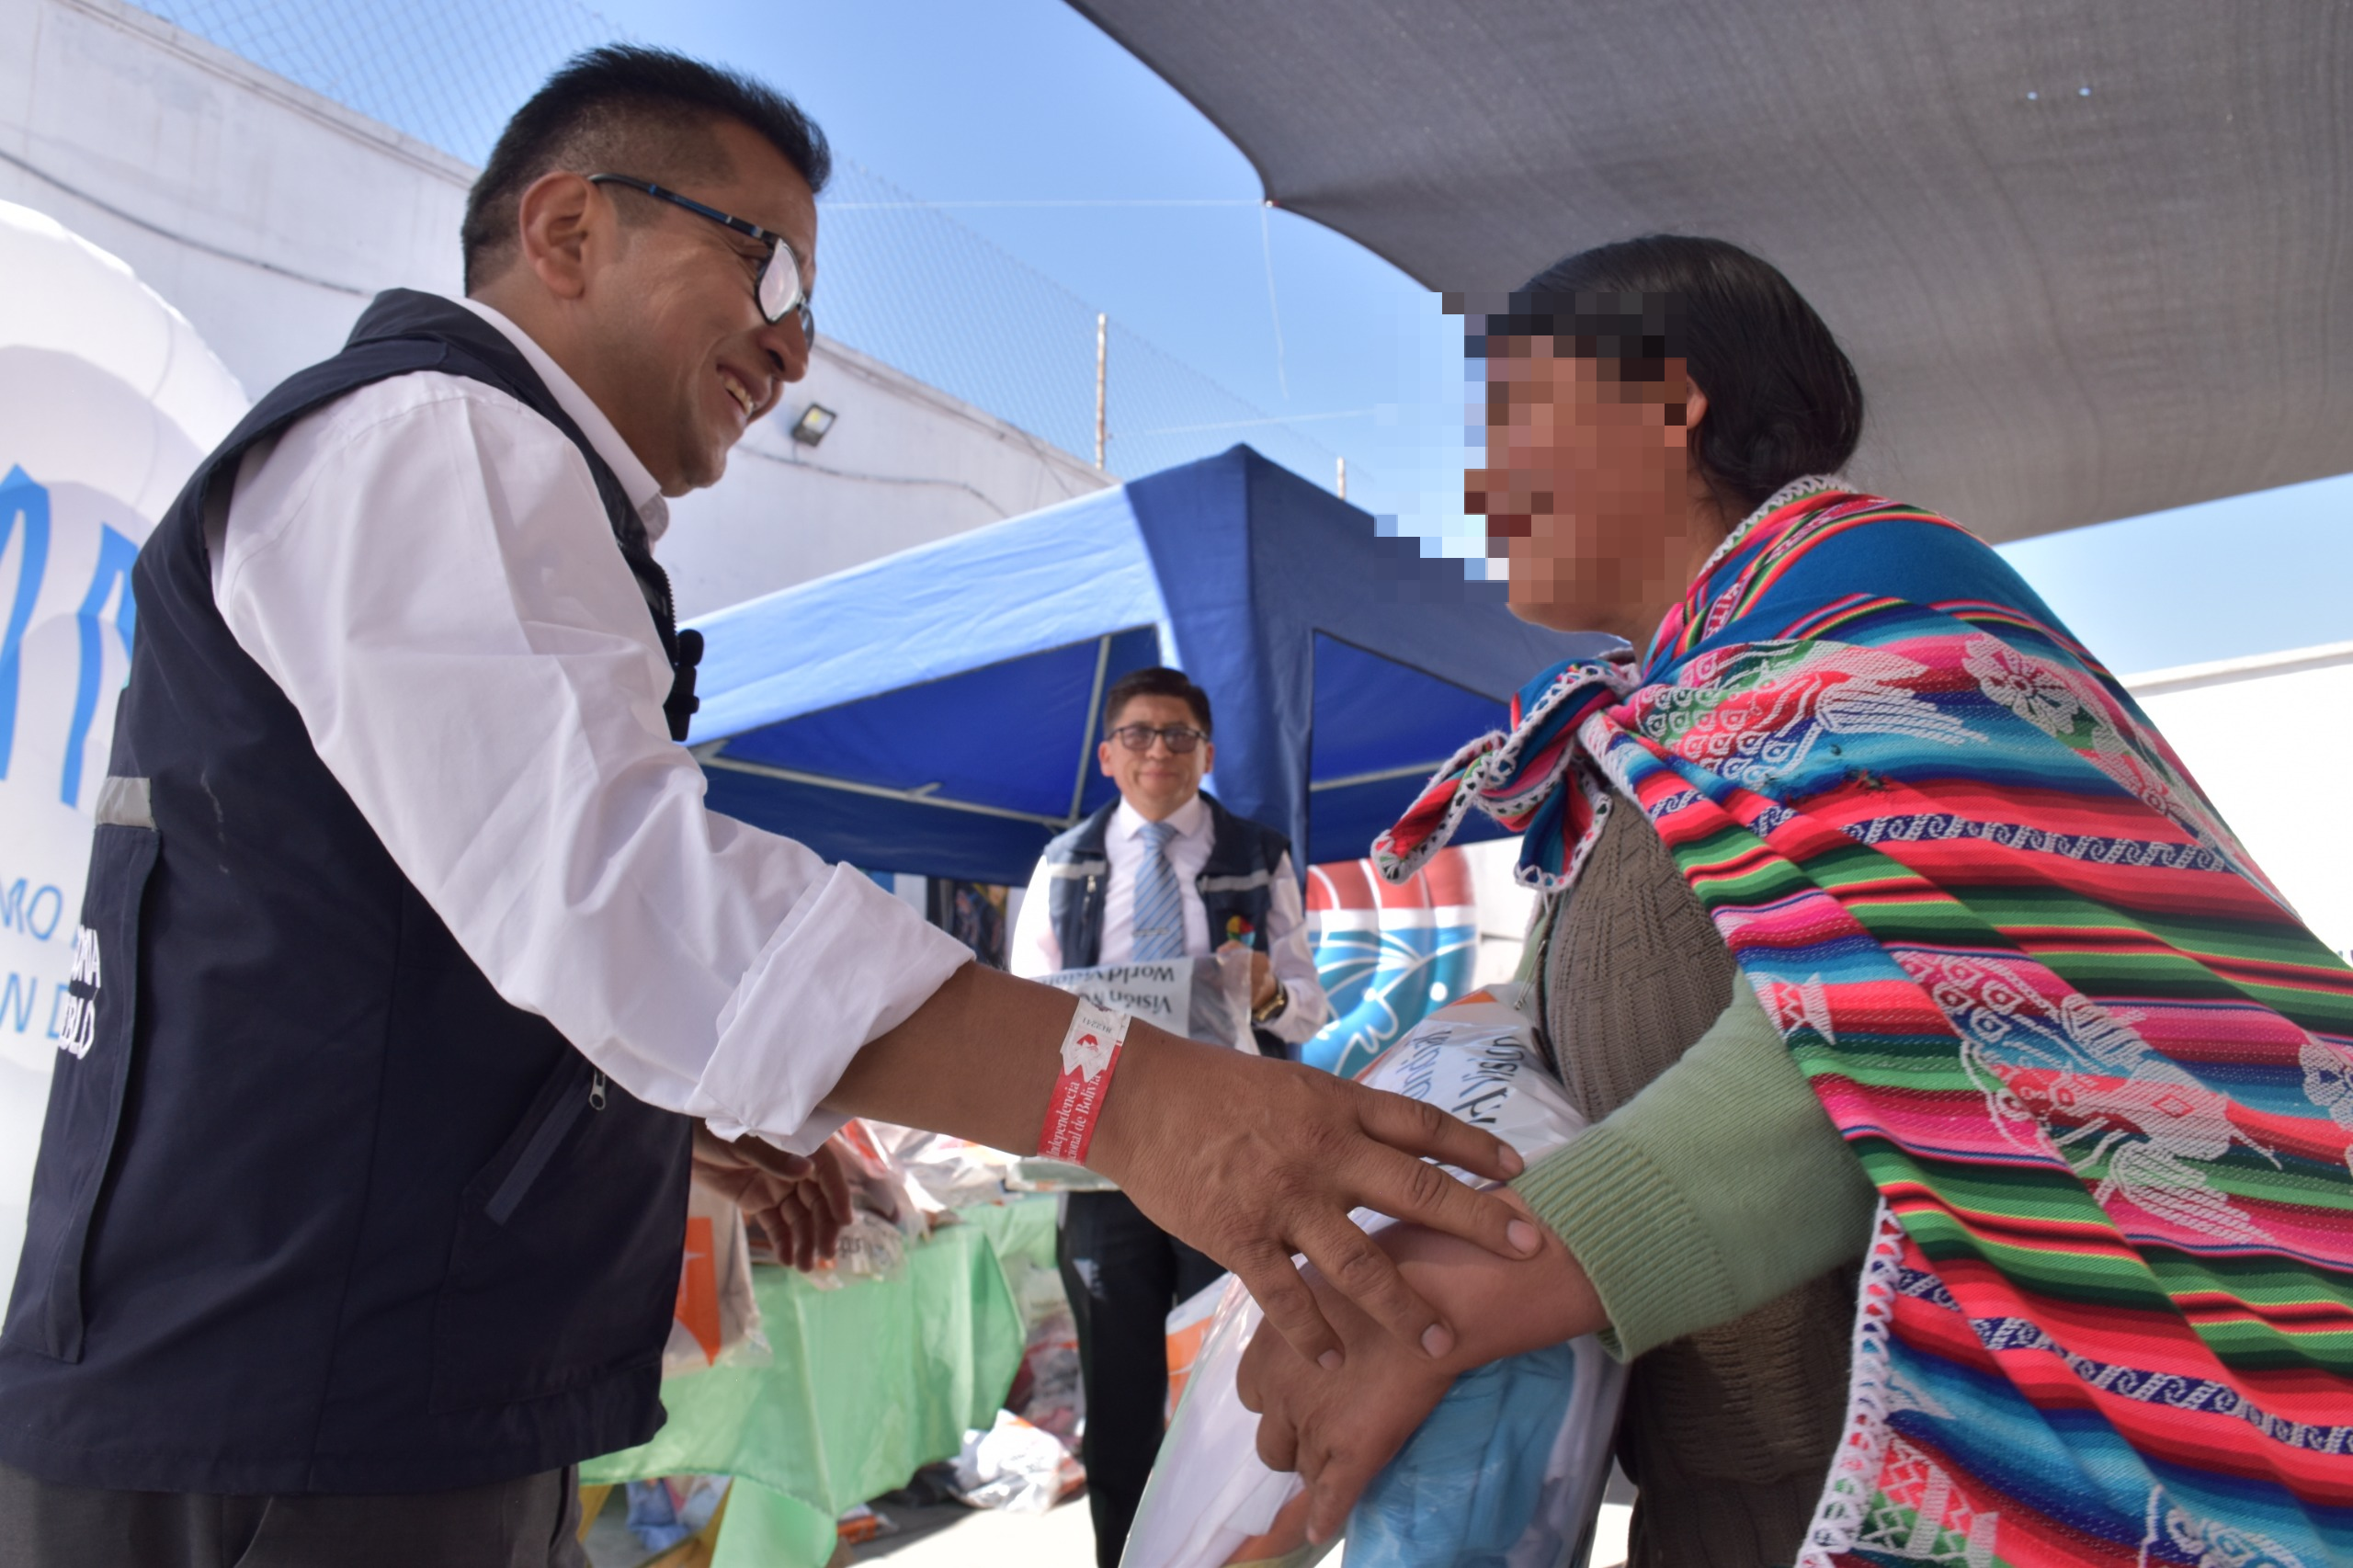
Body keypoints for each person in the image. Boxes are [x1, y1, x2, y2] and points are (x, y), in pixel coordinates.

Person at [0, 48, 1543, 1568]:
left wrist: (662, 1120)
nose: (793, 349)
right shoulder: (437, 437)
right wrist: (1129, 1094)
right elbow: (619, 885)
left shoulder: (505, 479)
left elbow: (438, 929)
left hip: (345, 1385)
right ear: (566, 230)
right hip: (287, 1410)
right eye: (767, 271)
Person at [1235, 234, 2353, 1566]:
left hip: (1914, 1476)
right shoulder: (1663, 732)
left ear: (1666, 402)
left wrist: (1440, 1302)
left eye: (1512, 416)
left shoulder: (1887, 628)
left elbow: (1907, 1022)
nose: (1479, 480)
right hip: (1719, 1493)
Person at [1009, 665, 1331, 1566]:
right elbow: (1023, 1009)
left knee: (1237, 1384)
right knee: (1117, 1401)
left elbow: (1309, 1005)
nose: (1160, 749)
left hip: (1230, 1161)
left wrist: (1269, 994)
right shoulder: (1063, 865)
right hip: (1102, 1165)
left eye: (1179, 734)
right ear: (1109, 754)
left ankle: (1234, 1554)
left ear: (1207, 752)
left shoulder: (1255, 853)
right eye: (1140, 734)